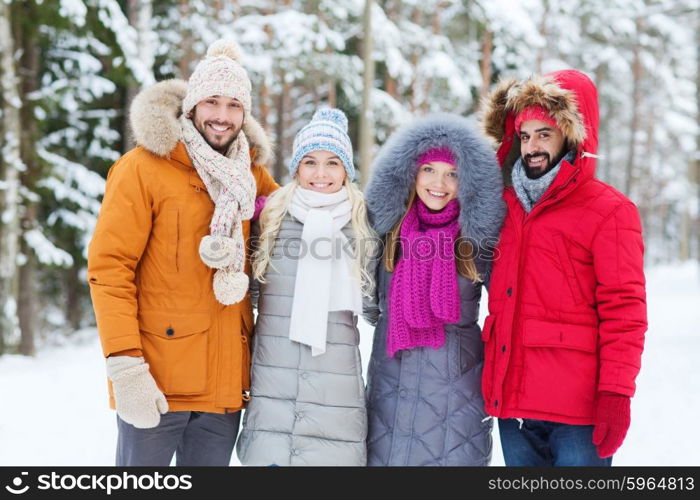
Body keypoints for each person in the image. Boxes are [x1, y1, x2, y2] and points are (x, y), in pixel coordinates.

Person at [87, 40, 279, 466]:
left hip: (224, 389)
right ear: (192, 105)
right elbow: (109, 269)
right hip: (157, 384)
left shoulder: (251, 176)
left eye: (233, 105)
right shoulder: (142, 168)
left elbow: (304, 217)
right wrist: (125, 366)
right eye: (212, 101)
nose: (222, 116)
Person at [480, 69, 647, 466]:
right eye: (524, 135)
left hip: (576, 413)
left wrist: (616, 394)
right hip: (512, 406)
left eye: (545, 133)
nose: (532, 146)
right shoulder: (502, 208)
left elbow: (625, 311)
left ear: (572, 135)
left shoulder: (610, 211)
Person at [363, 113, 505, 466]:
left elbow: (511, 307)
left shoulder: (477, 240)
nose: (438, 182)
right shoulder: (386, 235)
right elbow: (367, 304)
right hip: (389, 395)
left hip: (455, 403)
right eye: (428, 170)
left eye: (452, 173)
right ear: (410, 173)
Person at [235, 109, 374, 466]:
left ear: (346, 170)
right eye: (310, 162)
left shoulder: (363, 225)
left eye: (333, 163)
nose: (321, 174)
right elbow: (249, 292)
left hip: (334, 394)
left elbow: (376, 305)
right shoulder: (271, 216)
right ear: (296, 167)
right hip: (273, 391)